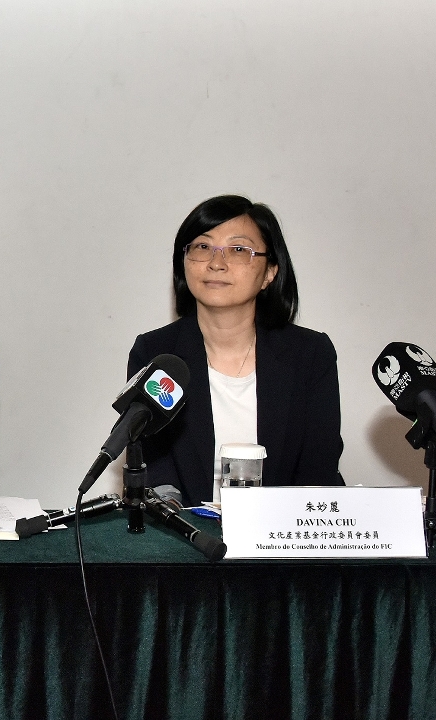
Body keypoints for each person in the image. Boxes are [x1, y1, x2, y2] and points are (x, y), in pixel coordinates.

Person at [127, 195, 343, 504]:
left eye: (239, 250)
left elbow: (318, 469)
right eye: (202, 247)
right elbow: (155, 471)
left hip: (283, 528)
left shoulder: (309, 354)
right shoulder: (155, 353)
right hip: (185, 529)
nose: (216, 263)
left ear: (270, 272)